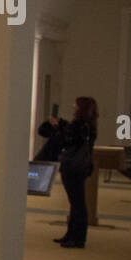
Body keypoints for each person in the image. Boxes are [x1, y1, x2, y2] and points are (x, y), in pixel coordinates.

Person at [48, 97, 98, 248]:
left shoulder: (78, 125)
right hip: (82, 166)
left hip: (72, 166)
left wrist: (57, 127)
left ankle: (77, 238)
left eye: (75, 105)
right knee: (76, 202)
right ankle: (72, 234)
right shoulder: (90, 125)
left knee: (77, 203)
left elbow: (66, 140)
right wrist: (63, 124)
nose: (73, 106)